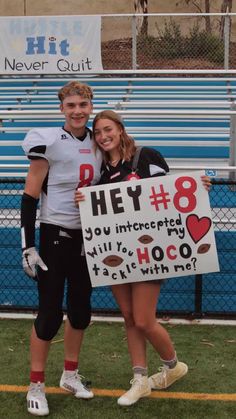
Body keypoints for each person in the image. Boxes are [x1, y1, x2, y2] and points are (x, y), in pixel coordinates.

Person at [75, 110, 211, 407]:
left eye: (107, 129)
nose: (102, 136)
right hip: (118, 255)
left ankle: (173, 366)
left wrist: (197, 188)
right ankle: (139, 379)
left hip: (148, 253)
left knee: (144, 319)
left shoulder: (146, 156)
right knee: (128, 317)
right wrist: (83, 199)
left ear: (120, 129)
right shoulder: (101, 175)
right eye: (97, 132)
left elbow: (170, 192)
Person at [21, 81, 102, 416]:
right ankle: (36, 383)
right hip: (55, 235)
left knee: (81, 312)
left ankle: (69, 374)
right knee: (50, 314)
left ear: (90, 106)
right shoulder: (49, 142)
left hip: (89, 238)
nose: (78, 111)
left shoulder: (100, 142)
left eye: (83, 104)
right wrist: (27, 245)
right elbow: (29, 196)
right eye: (71, 105)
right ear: (61, 109)